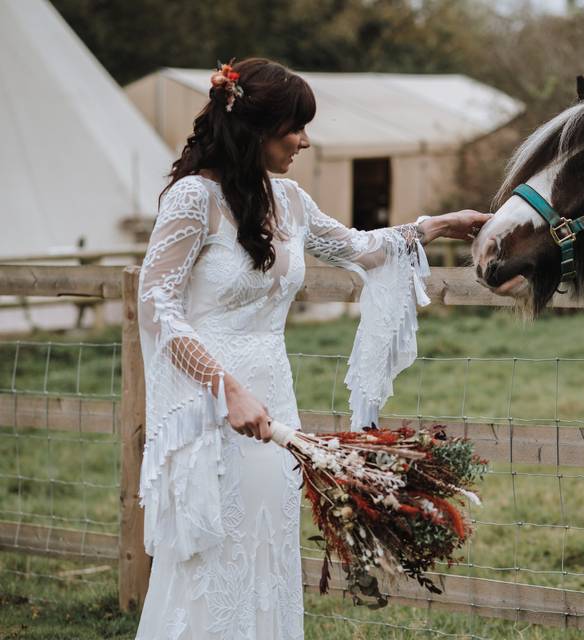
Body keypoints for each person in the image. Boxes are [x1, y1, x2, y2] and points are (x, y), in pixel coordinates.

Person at [134, 58, 490, 640]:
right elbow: (157, 304)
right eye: (293, 126)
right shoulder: (192, 200)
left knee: (268, 543)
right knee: (215, 554)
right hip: (210, 402)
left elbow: (361, 248)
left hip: (274, 396)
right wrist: (224, 388)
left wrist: (438, 225)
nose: (303, 139)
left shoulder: (291, 201)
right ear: (253, 127)